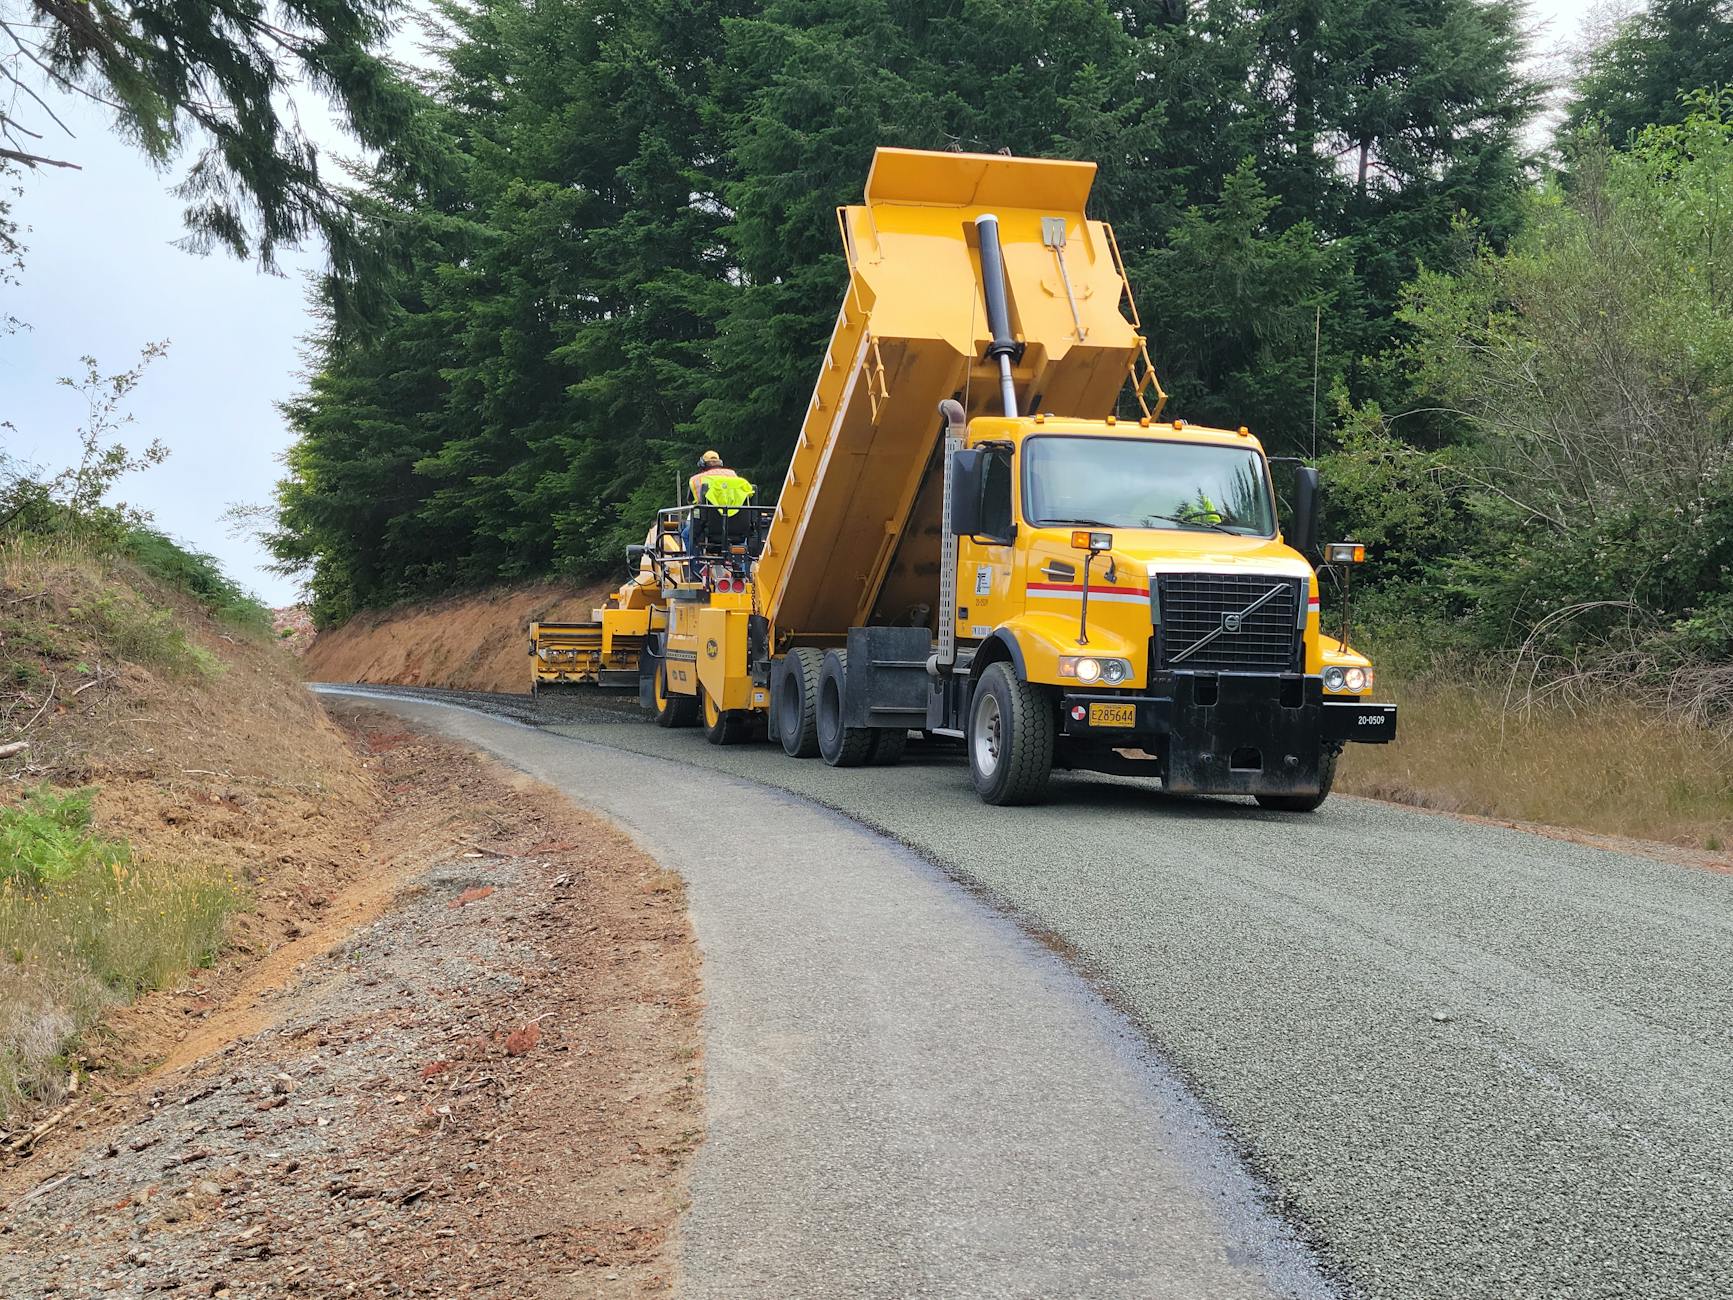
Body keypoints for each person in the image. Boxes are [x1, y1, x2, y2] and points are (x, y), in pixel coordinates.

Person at [682, 450, 754, 559]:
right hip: (738, 526)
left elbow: (691, 500)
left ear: (702, 464)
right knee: (740, 541)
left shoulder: (696, 479)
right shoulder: (733, 475)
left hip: (710, 527)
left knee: (687, 534)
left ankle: (695, 568)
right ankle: (741, 568)